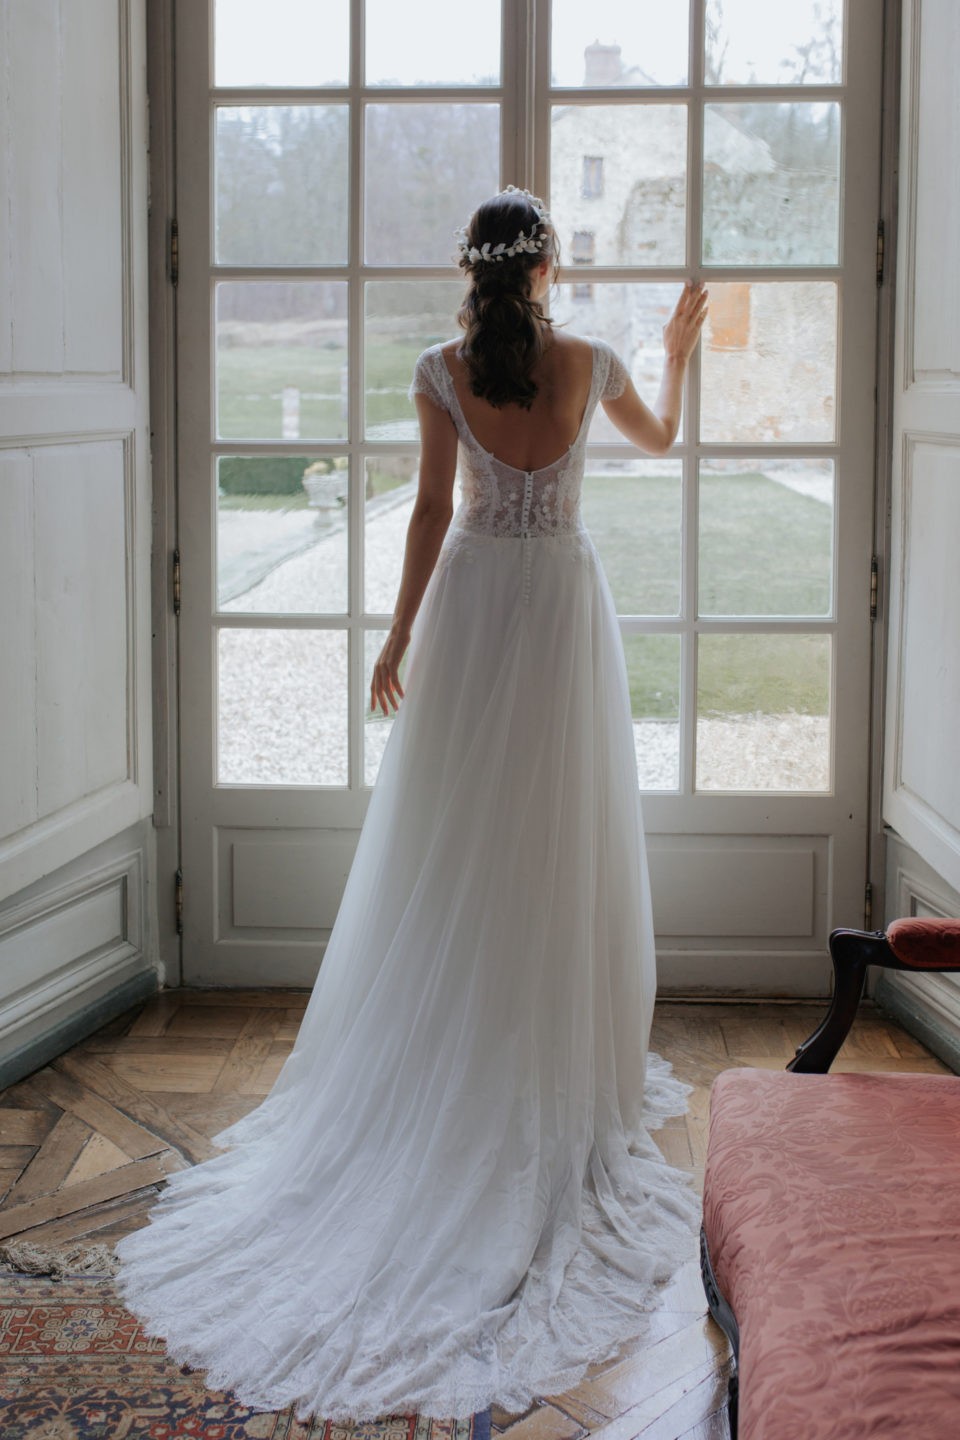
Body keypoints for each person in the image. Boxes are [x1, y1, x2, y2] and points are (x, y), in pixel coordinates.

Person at [113, 185, 708, 1426]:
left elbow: (435, 514)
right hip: (559, 613)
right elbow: (656, 443)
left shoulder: (442, 369)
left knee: (460, 842)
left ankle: (475, 1027)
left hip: (483, 611)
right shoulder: (591, 361)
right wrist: (679, 352)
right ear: (545, 267)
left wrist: (396, 643)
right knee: (560, 838)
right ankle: (544, 1038)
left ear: (472, 270)